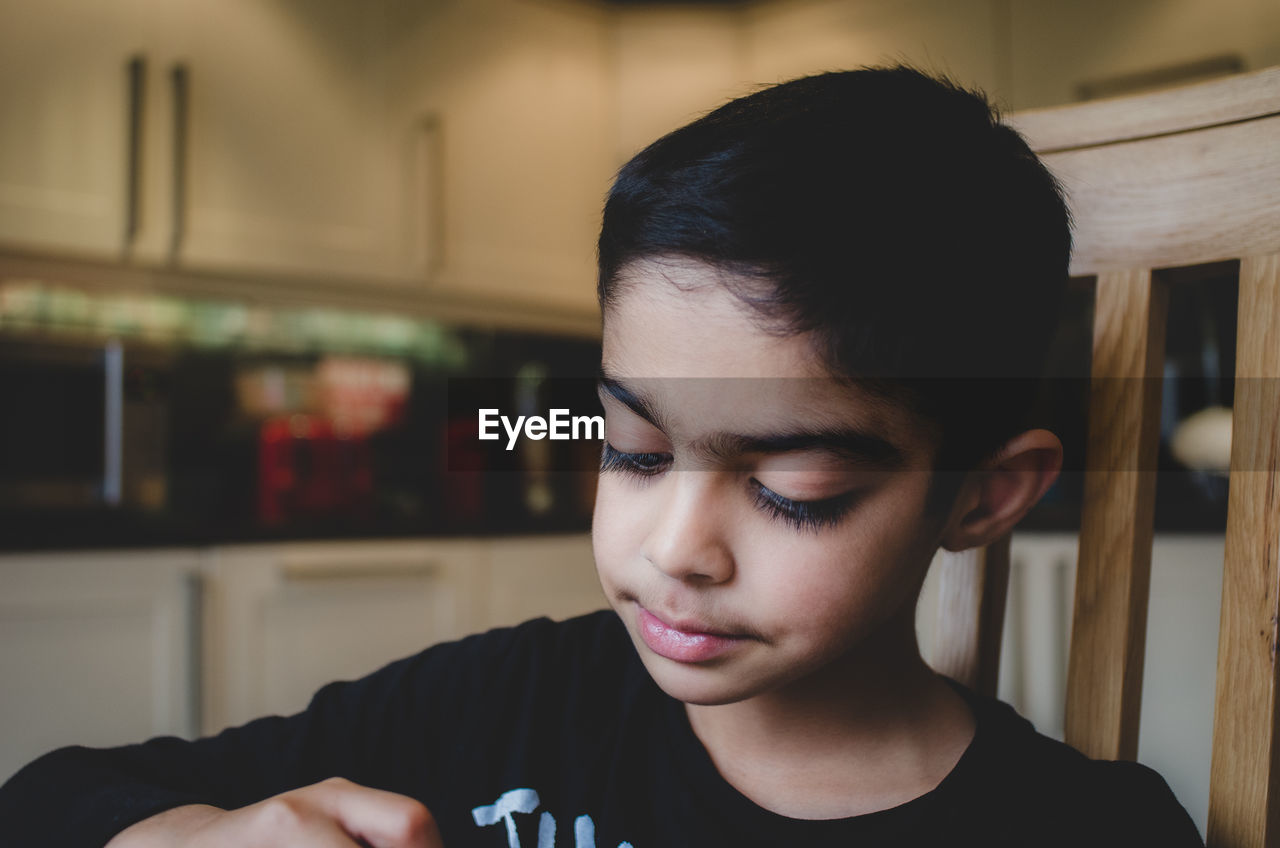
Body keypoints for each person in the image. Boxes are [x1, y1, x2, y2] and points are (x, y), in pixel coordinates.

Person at [0, 65, 1202, 847]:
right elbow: (45, 794)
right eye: (629, 449)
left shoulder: (1089, 825)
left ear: (984, 494)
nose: (673, 548)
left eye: (795, 491)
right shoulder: (501, 703)